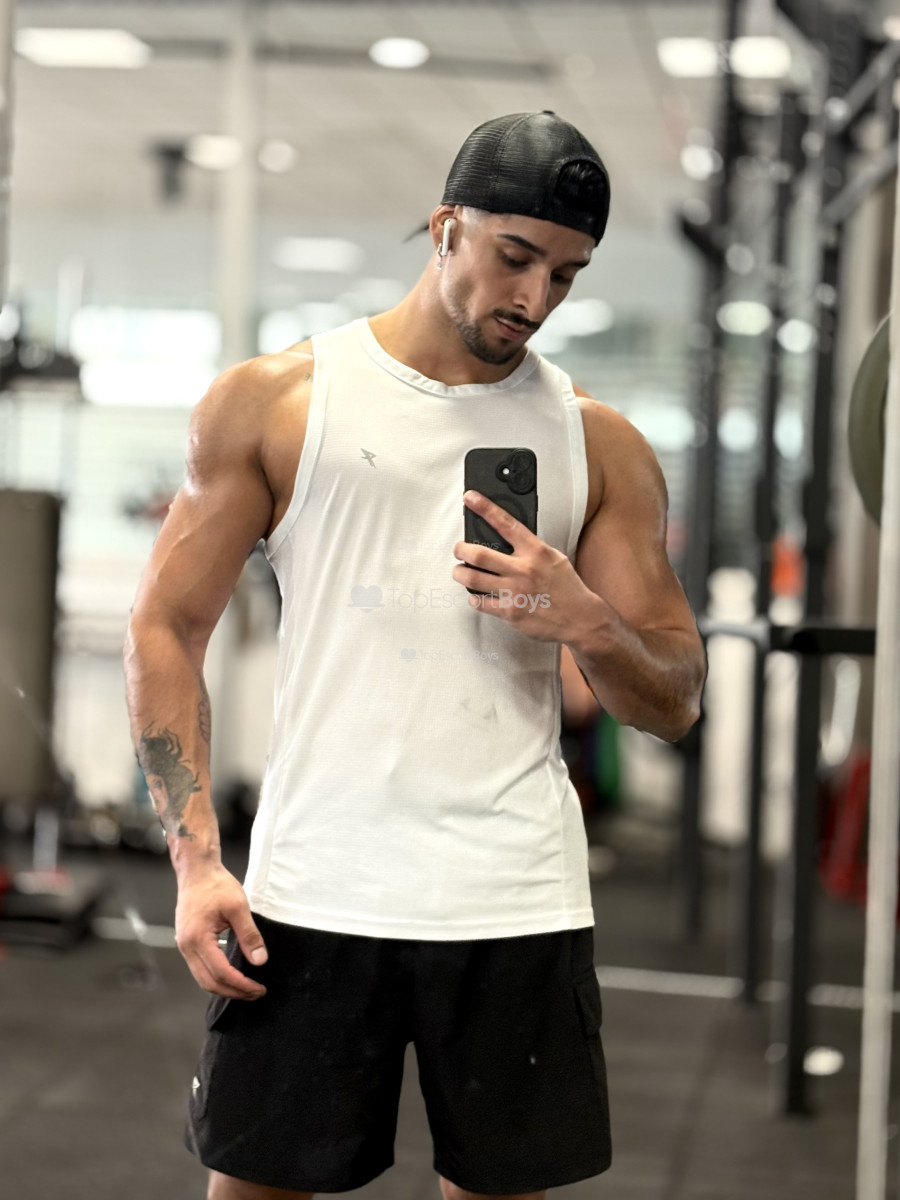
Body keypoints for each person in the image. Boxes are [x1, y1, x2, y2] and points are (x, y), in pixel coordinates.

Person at [124, 110, 706, 1200]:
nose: (534, 297)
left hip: (514, 900)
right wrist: (196, 861)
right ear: (445, 228)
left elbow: (673, 698)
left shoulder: (600, 444)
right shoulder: (279, 404)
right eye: (514, 256)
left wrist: (586, 620)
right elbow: (165, 625)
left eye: (565, 274)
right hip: (313, 889)